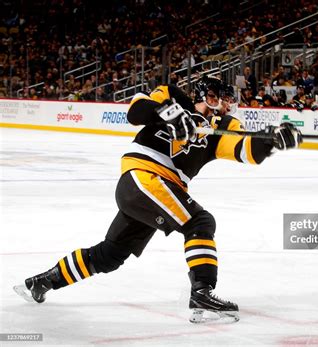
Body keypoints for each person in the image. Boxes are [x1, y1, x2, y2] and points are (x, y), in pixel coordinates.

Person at [14, 76, 303, 323]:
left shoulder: (222, 127)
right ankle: (201, 294)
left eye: (229, 101)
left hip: (155, 190)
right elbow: (137, 110)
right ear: (205, 95)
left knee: (110, 255)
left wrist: (272, 140)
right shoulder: (173, 96)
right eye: (220, 98)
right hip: (144, 177)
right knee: (199, 222)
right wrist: (170, 112)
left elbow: (245, 148)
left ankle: (41, 282)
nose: (226, 106)